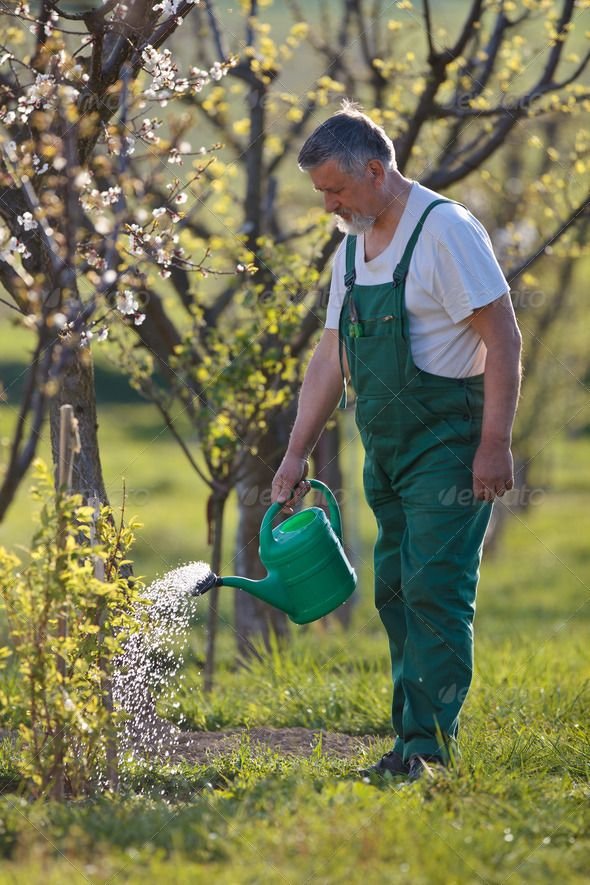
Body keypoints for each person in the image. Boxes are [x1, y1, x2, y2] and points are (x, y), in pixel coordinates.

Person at [271, 103, 522, 782]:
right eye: (321, 192)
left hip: (451, 441)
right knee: (394, 590)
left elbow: (503, 338)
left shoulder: (445, 231)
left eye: (336, 189)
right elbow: (329, 358)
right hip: (385, 447)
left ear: (376, 171)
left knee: (434, 588)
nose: (328, 203)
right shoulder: (351, 245)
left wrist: (495, 443)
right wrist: (294, 454)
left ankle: (429, 752)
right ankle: (410, 741)